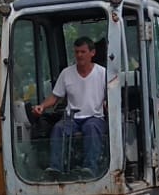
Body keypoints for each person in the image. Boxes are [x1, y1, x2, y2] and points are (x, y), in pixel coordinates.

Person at [31, 36, 108, 177]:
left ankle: (90, 168)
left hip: (95, 117)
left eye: (83, 52)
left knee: (91, 127)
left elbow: (111, 97)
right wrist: (42, 106)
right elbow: (55, 97)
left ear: (92, 53)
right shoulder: (66, 73)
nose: (79, 55)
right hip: (72, 118)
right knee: (59, 128)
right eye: (77, 52)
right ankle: (55, 168)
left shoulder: (103, 73)